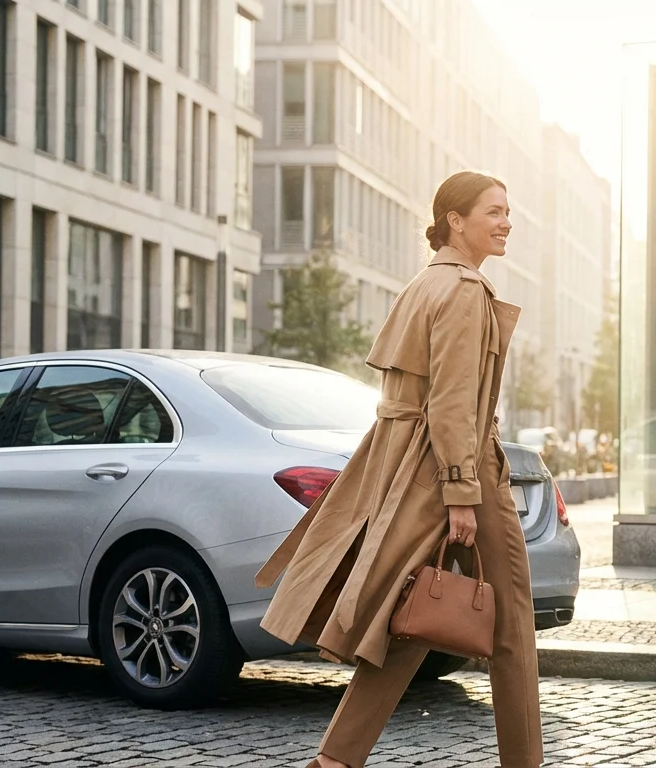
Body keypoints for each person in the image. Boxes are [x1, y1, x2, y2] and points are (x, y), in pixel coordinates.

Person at [253, 171, 542, 768]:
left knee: (416, 617)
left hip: (412, 464)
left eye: (508, 211)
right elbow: (454, 402)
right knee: (512, 626)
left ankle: (336, 760)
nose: (506, 221)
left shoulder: (423, 285)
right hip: (459, 472)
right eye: (493, 211)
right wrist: (463, 492)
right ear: (455, 220)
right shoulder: (463, 291)